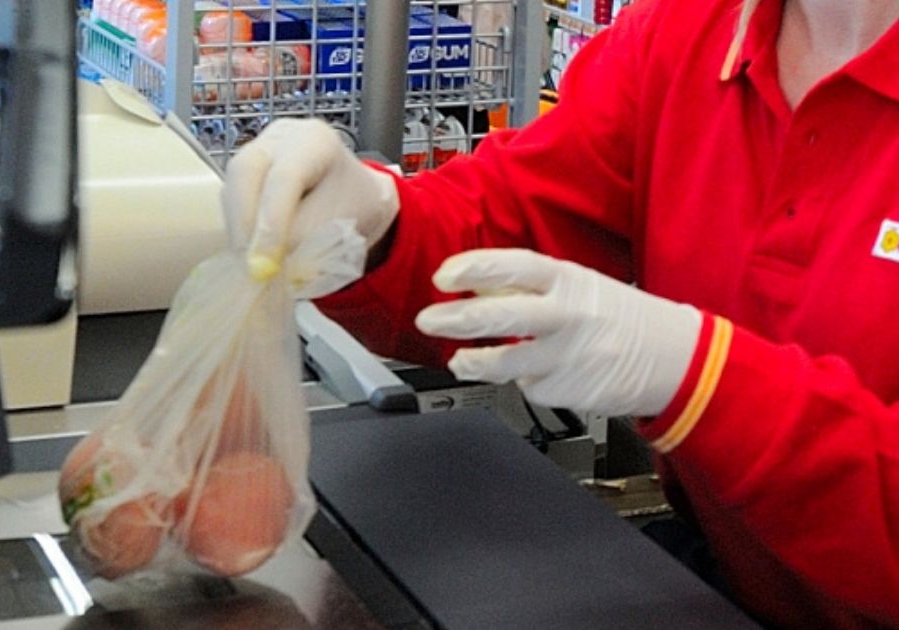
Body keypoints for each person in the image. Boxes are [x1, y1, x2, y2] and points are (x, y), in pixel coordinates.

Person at [220, 0, 899, 627]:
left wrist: (708, 383)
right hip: (733, 588)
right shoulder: (691, 33)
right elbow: (519, 224)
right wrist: (376, 226)